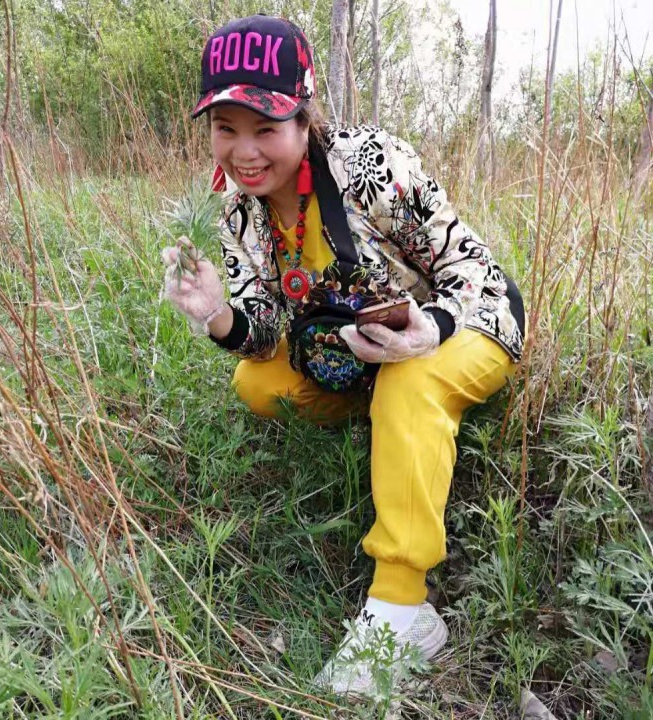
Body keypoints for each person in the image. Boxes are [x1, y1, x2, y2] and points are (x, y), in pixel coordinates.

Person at [162, 14, 525, 696]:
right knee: (256, 383)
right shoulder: (239, 213)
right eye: (226, 128)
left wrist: (431, 328)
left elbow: (474, 269)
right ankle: (394, 432)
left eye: (265, 127)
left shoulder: (369, 166)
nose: (244, 152)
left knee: (409, 382)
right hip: (363, 354)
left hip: (468, 322)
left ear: (304, 118)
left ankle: (403, 610)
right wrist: (217, 315)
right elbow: (264, 333)